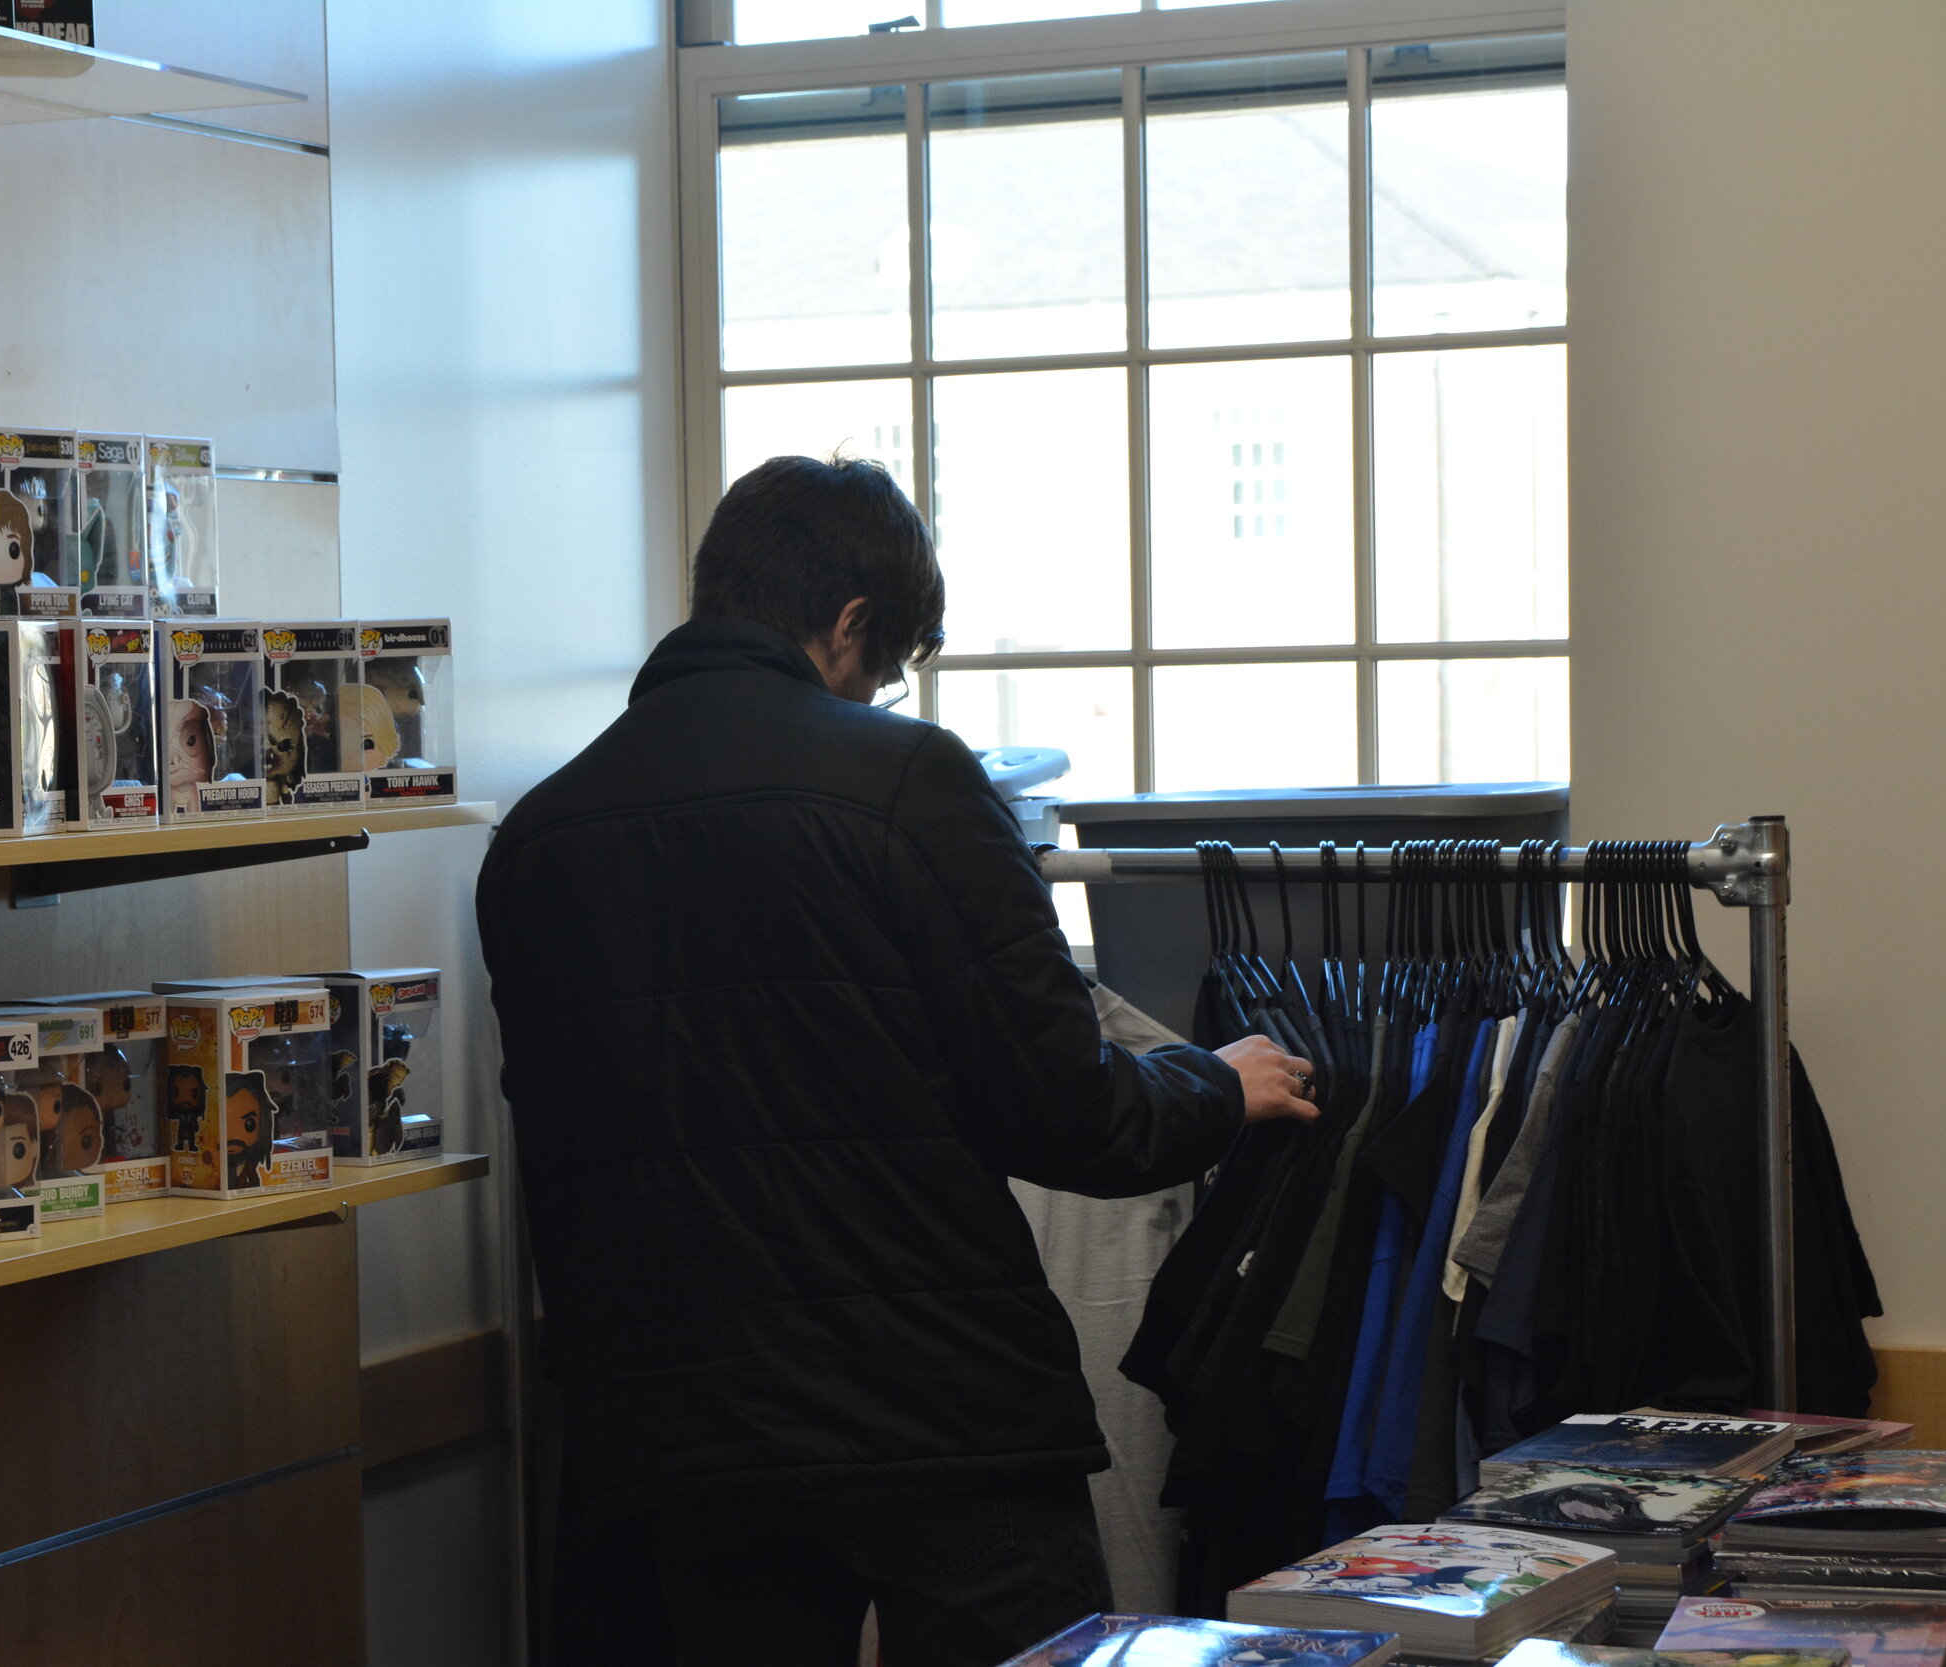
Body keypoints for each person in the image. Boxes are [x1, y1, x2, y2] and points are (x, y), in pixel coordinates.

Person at [477, 455, 1318, 1667]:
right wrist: (1212, 1082)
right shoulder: (908, 781)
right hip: (932, 1414)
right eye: (885, 666)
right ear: (851, 622)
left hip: (674, 1433)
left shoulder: (542, 834)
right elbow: (1070, 1114)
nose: (878, 694)